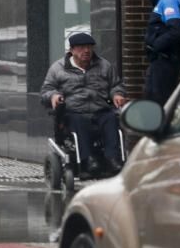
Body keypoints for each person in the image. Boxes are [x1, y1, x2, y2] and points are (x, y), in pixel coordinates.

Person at [41, 32, 127, 174]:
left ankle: (112, 159)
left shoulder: (104, 65)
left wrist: (117, 94)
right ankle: (88, 160)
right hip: (74, 111)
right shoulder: (58, 68)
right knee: (78, 121)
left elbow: (116, 85)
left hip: (100, 109)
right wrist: (54, 96)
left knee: (111, 119)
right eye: (81, 48)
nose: (86, 51)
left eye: (89, 47)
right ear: (72, 50)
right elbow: (46, 90)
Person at [138, 0, 180, 104]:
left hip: (165, 60)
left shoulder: (168, 0)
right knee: (152, 99)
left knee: (158, 101)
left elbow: (178, 31)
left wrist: (155, 45)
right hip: (161, 60)